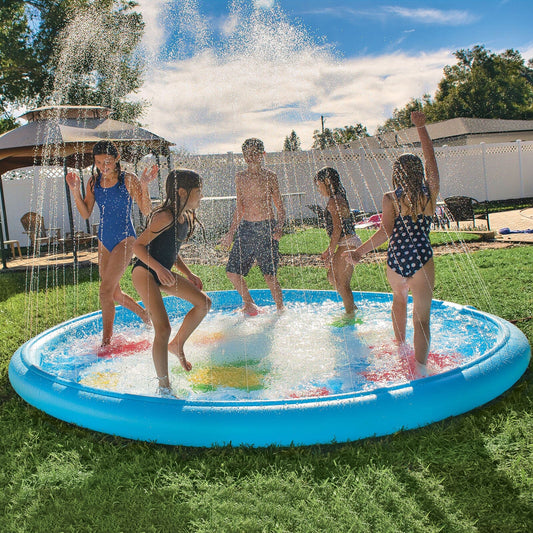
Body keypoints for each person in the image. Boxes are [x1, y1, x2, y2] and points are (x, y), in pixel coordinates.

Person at [344, 111, 440, 376]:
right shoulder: (429, 193)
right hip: (421, 256)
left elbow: (385, 232)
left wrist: (360, 251)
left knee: (399, 300)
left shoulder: (390, 198)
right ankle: (420, 370)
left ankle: (400, 351)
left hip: (396, 258)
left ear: (396, 174)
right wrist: (421, 127)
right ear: (419, 173)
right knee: (421, 318)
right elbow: (431, 159)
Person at [66, 141, 157, 348]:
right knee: (114, 292)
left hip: (125, 239)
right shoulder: (93, 182)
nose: (102, 165)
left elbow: (145, 210)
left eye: (107, 161)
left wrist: (143, 185)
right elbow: (86, 213)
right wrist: (74, 191)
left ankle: (106, 343)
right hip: (103, 240)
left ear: (116, 159)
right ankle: (144, 314)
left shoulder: (128, 179)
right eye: (98, 162)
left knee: (105, 292)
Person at [132, 169, 211, 394]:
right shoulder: (164, 216)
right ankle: (164, 386)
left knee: (204, 303)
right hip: (145, 271)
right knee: (163, 328)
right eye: (198, 192)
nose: (201, 196)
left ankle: (177, 345)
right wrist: (157, 268)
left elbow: (171, 250)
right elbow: (138, 247)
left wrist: (187, 273)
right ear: (182, 192)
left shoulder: (185, 216)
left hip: (163, 271)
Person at [220, 138, 286, 315]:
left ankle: (281, 311)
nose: (250, 157)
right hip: (247, 228)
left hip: (267, 228)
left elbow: (280, 206)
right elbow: (240, 206)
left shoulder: (270, 176)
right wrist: (230, 233)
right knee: (232, 272)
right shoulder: (240, 177)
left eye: (254, 153)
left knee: (269, 275)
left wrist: (279, 227)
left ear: (262, 154)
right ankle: (249, 304)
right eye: (247, 153)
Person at [314, 167, 362, 326]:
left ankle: (350, 315)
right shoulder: (337, 198)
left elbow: (337, 228)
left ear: (327, 183)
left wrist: (330, 251)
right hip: (346, 242)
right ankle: (352, 307)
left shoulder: (334, 201)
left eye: (319, 185)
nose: (319, 189)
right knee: (332, 277)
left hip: (347, 243)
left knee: (341, 282)